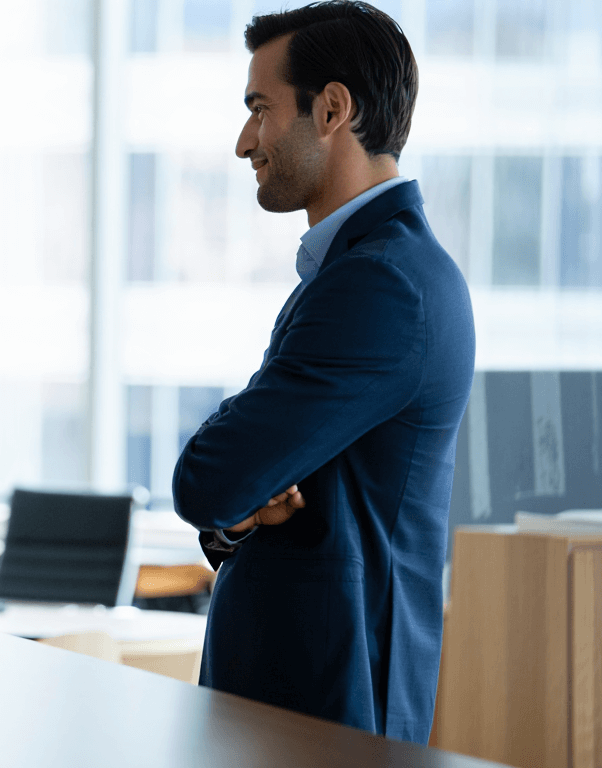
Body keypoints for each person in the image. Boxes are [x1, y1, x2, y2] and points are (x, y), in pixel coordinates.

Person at [172, 1, 475, 744]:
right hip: (309, 703)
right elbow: (238, 481)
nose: (245, 141)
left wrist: (233, 492)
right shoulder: (368, 271)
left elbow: (207, 477)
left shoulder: (383, 284)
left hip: (327, 711)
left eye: (260, 109)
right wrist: (240, 505)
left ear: (333, 108)